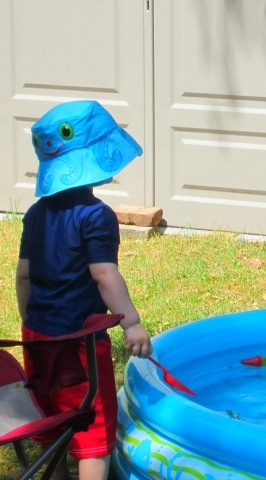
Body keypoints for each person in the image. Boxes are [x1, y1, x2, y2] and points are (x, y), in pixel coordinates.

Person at [16, 100, 153, 479]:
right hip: (78, 341)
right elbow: (104, 275)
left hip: (36, 335)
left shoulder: (35, 215)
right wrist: (132, 323)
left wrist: (31, 321)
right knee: (92, 428)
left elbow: (23, 276)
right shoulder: (97, 216)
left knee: (52, 419)